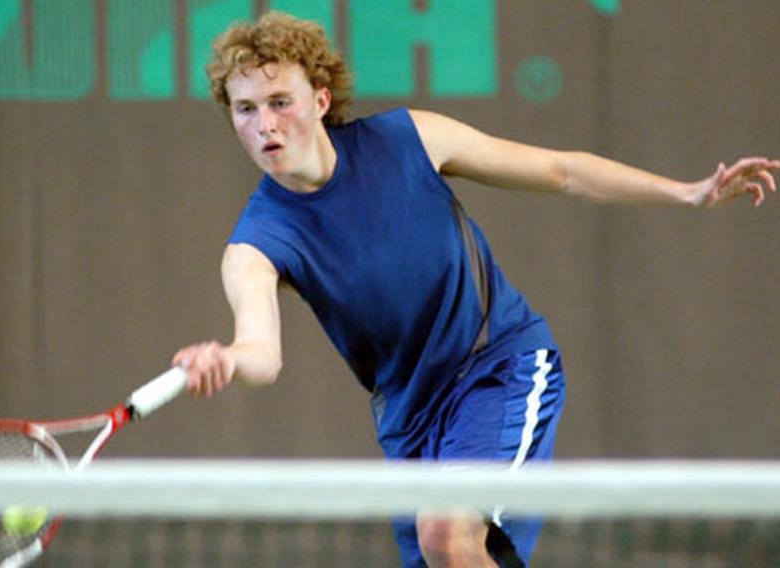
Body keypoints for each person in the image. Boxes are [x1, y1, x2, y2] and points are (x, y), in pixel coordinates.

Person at [171, 11, 778, 568]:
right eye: (245, 109)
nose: (265, 125)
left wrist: (687, 192)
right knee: (455, 553)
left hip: (500, 366)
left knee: (447, 533)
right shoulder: (255, 243)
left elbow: (561, 172)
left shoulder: (409, 139)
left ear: (321, 99)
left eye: (281, 101)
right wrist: (225, 357)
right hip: (411, 424)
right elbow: (262, 353)